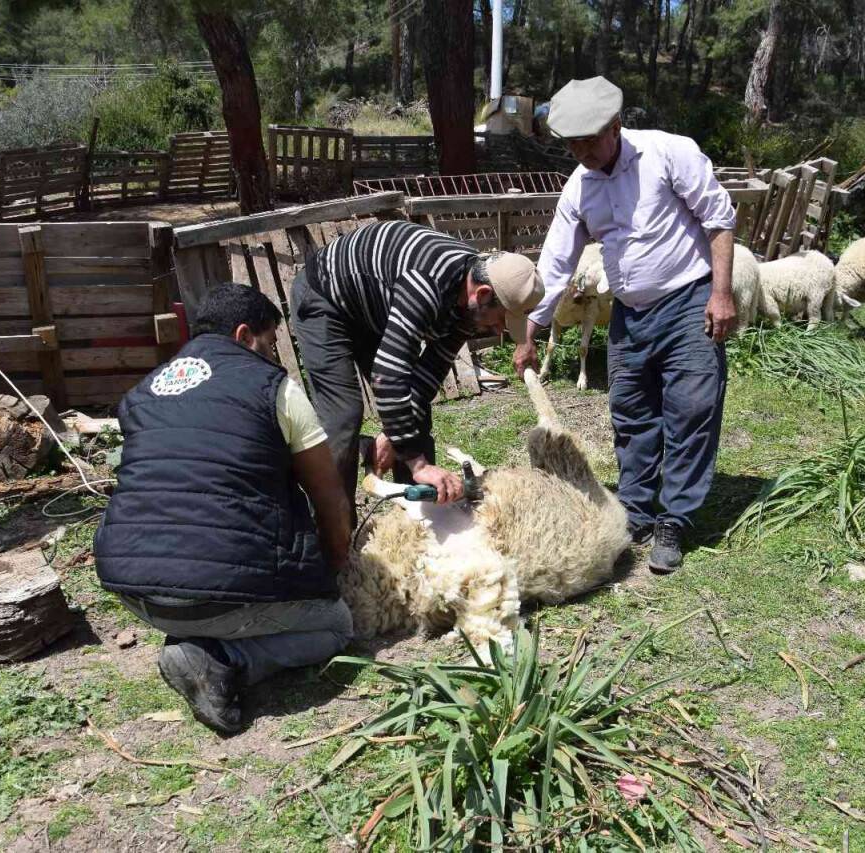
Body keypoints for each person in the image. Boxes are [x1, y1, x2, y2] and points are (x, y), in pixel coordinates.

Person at [93, 284, 354, 734]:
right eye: (270, 343)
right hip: (219, 595)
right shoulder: (275, 388)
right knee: (336, 625)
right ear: (244, 335)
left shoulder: (143, 391)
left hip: (135, 590)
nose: (273, 355)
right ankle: (226, 658)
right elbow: (328, 497)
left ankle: (203, 634)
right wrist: (334, 569)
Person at [513, 76, 738, 575]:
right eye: (571, 145)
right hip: (629, 313)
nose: (581, 153)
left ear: (615, 126)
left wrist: (721, 294)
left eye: (588, 141)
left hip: (688, 301)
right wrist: (530, 331)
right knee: (632, 413)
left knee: (691, 409)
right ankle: (637, 508)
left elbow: (719, 219)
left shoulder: (669, 153)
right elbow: (556, 263)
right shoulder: (579, 187)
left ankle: (674, 519)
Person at [291, 219, 544, 508]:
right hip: (325, 298)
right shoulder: (426, 283)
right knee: (343, 415)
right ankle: (331, 528)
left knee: (414, 415)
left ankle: (420, 519)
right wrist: (417, 462)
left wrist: (394, 435)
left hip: (373, 303)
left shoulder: (471, 297)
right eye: (500, 319)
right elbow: (389, 376)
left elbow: (431, 370)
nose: (499, 330)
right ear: (483, 293)